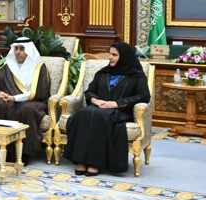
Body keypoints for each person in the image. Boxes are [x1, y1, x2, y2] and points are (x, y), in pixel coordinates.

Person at [63, 41, 150, 176]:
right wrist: (95, 100)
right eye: (110, 54)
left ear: (124, 56)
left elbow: (144, 96)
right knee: (83, 113)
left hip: (119, 111)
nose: (110, 57)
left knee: (100, 116)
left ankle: (95, 163)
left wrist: (117, 103)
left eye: (114, 55)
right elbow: (90, 91)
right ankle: (81, 160)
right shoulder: (103, 72)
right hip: (98, 107)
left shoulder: (136, 75)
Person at [0, 37, 51, 165]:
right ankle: (0, 148)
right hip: (11, 101)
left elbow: (40, 92)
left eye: (22, 49)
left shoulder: (39, 68)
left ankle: (24, 153)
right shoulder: (9, 66)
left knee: (27, 110)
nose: (17, 52)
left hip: (33, 102)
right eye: (16, 49)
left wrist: (14, 98)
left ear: (29, 51)